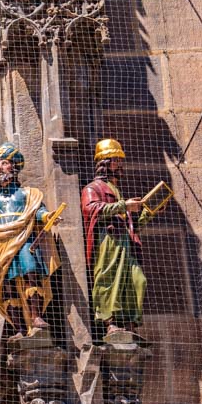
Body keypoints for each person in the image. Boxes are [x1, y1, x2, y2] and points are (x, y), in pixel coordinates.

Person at [0, 143, 60, 337]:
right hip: (1, 243)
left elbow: (37, 211)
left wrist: (47, 217)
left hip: (24, 239)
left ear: (14, 167)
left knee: (31, 273)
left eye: (4, 163)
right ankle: (19, 328)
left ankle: (36, 317)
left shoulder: (26, 194)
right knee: (6, 285)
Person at [81, 138, 148, 338]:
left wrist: (149, 211)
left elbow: (131, 225)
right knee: (109, 279)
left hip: (125, 242)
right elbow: (90, 208)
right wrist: (123, 206)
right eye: (115, 160)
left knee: (137, 280)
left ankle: (129, 323)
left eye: (120, 160)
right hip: (108, 242)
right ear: (104, 163)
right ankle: (110, 323)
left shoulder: (117, 191)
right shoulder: (93, 188)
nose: (120, 165)